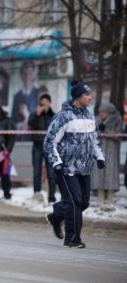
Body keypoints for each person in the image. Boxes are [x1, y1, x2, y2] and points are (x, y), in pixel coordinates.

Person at [44, 80, 105, 249]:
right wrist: (57, 162)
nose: (90, 97)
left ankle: (56, 216)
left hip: (84, 168)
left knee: (83, 203)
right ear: (78, 97)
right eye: (87, 94)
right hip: (66, 167)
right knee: (74, 201)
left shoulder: (88, 115)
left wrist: (99, 156)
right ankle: (72, 238)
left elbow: (93, 140)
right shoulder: (63, 116)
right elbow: (49, 142)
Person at [91, 102, 122, 204]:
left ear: (108, 112)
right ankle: (99, 200)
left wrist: (107, 131)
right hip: (99, 151)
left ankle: (110, 201)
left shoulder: (117, 120)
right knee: (99, 174)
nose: (100, 114)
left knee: (110, 175)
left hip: (111, 151)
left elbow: (119, 135)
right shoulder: (96, 120)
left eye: (103, 112)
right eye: (99, 112)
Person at [28, 93, 57, 203]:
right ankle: (37, 194)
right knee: (36, 171)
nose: (44, 104)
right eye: (42, 102)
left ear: (49, 103)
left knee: (51, 173)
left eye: (46, 101)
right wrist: (37, 114)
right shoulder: (34, 115)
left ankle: (52, 197)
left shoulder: (54, 116)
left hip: (50, 147)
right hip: (37, 146)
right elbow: (30, 125)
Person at [11, 61, 39, 132]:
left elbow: (41, 119)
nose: (27, 77)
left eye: (29, 73)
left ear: (33, 75)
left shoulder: (38, 94)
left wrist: (28, 115)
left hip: (34, 137)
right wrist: (20, 126)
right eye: (24, 74)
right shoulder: (16, 97)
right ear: (21, 75)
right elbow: (13, 120)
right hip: (20, 138)